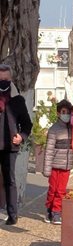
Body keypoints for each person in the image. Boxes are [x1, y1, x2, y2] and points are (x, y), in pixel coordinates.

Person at [0, 64, 32, 225]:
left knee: (9, 180)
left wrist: (21, 136)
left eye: (5, 79)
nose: (3, 83)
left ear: (10, 79)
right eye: (0, 80)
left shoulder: (18, 100)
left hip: (9, 147)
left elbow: (27, 124)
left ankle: (12, 214)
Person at [43, 99, 73, 225]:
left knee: (61, 190)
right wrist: (47, 169)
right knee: (53, 190)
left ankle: (56, 212)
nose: (66, 115)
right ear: (59, 113)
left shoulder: (72, 129)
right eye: (64, 112)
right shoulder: (54, 129)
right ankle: (49, 209)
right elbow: (49, 150)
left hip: (66, 165)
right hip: (55, 165)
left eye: (68, 112)